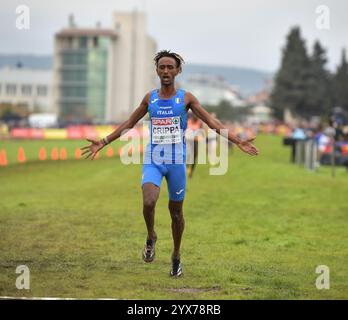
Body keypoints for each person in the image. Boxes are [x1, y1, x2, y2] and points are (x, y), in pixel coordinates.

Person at [80, 50, 259, 277]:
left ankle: (176, 256)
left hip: (176, 163)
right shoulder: (150, 98)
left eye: (170, 67)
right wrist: (104, 141)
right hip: (154, 160)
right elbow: (129, 122)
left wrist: (238, 141)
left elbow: (212, 122)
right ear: (157, 71)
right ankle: (151, 236)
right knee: (148, 201)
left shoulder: (186, 99)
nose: (166, 71)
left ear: (177, 71)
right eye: (162, 67)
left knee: (176, 213)